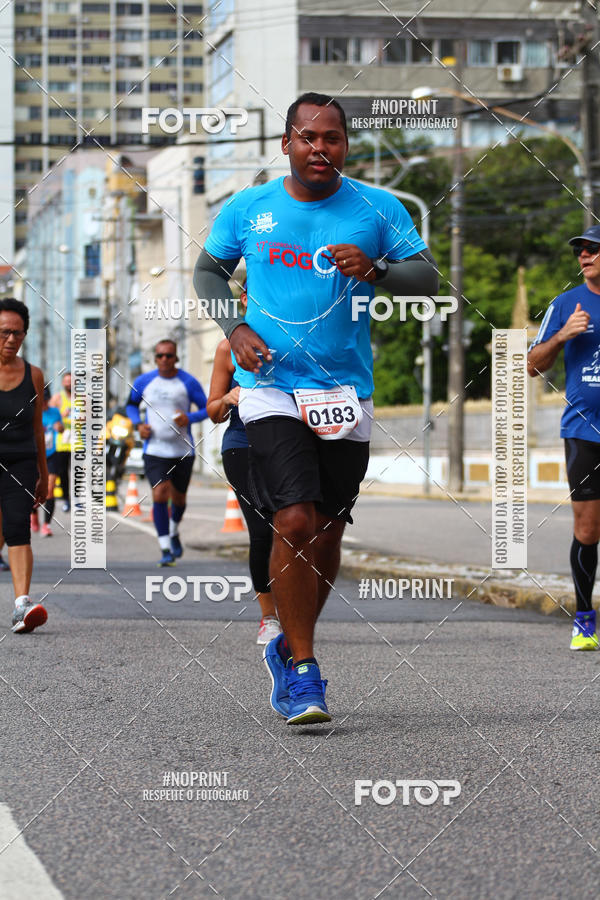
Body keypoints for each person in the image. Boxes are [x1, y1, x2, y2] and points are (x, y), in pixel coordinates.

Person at [194, 92, 438, 724]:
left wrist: (380, 271)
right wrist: (233, 328)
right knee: (295, 519)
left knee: (327, 530)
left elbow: (429, 279)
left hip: (344, 392)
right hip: (272, 386)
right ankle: (303, 666)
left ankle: (289, 641)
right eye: (307, 137)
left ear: (344, 145)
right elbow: (207, 273)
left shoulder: (377, 209)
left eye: (331, 138)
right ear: (287, 145)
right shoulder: (250, 208)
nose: (319, 148)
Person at [528, 224, 600, 651]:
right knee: (588, 528)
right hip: (583, 431)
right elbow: (532, 365)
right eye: (581, 251)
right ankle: (585, 617)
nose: (584, 256)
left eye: (593, 250)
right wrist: (563, 334)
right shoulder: (566, 304)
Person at [207, 285, 280, 646]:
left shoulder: (293, 336)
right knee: (263, 530)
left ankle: (294, 607)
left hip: (287, 444)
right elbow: (213, 412)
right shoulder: (226, 348)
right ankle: (269, 618)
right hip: (242, 446)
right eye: (252, 295)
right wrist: (228, 397)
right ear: (244, 301)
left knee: (296, 528)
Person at [126, 339, 208, 566]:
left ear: (176, 358)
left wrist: (189, 418)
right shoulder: (144, 381)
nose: (164, 360)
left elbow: (208, 408)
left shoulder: (188, 382)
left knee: (179, 498)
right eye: (160, 356)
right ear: (155, 358)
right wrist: (138, 424)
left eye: (168, 356)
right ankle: (165, 549)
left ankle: (173, 531)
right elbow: (131, 405)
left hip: (183, 451)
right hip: (154, 449)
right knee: (160, 493)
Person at [0, 299, 49, 633]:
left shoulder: (33, 374)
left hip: (21, 461)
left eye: (18, 333)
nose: (11, 339)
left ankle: (22, 606)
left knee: (18, 526)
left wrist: (44, 474)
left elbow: (38, 427)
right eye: (5, 332)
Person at [31, 386, 63, 537]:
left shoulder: (54, 412)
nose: (43, 404)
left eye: (45, 401)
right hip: (33, 456)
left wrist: (60, 427)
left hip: (51, 454)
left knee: (49, 490)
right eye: (40, 401)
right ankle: (34, 514)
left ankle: (47, 525)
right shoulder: (31, 413)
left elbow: (61, 429)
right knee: (32, 489)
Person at [50, 371, 72, 512]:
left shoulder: (83, 398)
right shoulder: (58, 398)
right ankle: (67, 500)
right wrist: (60, 416)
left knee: (80, 473)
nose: (69, 383)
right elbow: (49, 418)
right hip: (62, 442)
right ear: (63, 383)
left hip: (79, 442)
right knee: (63, 474)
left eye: (71, 381)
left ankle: (78, 499)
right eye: (66, 381)